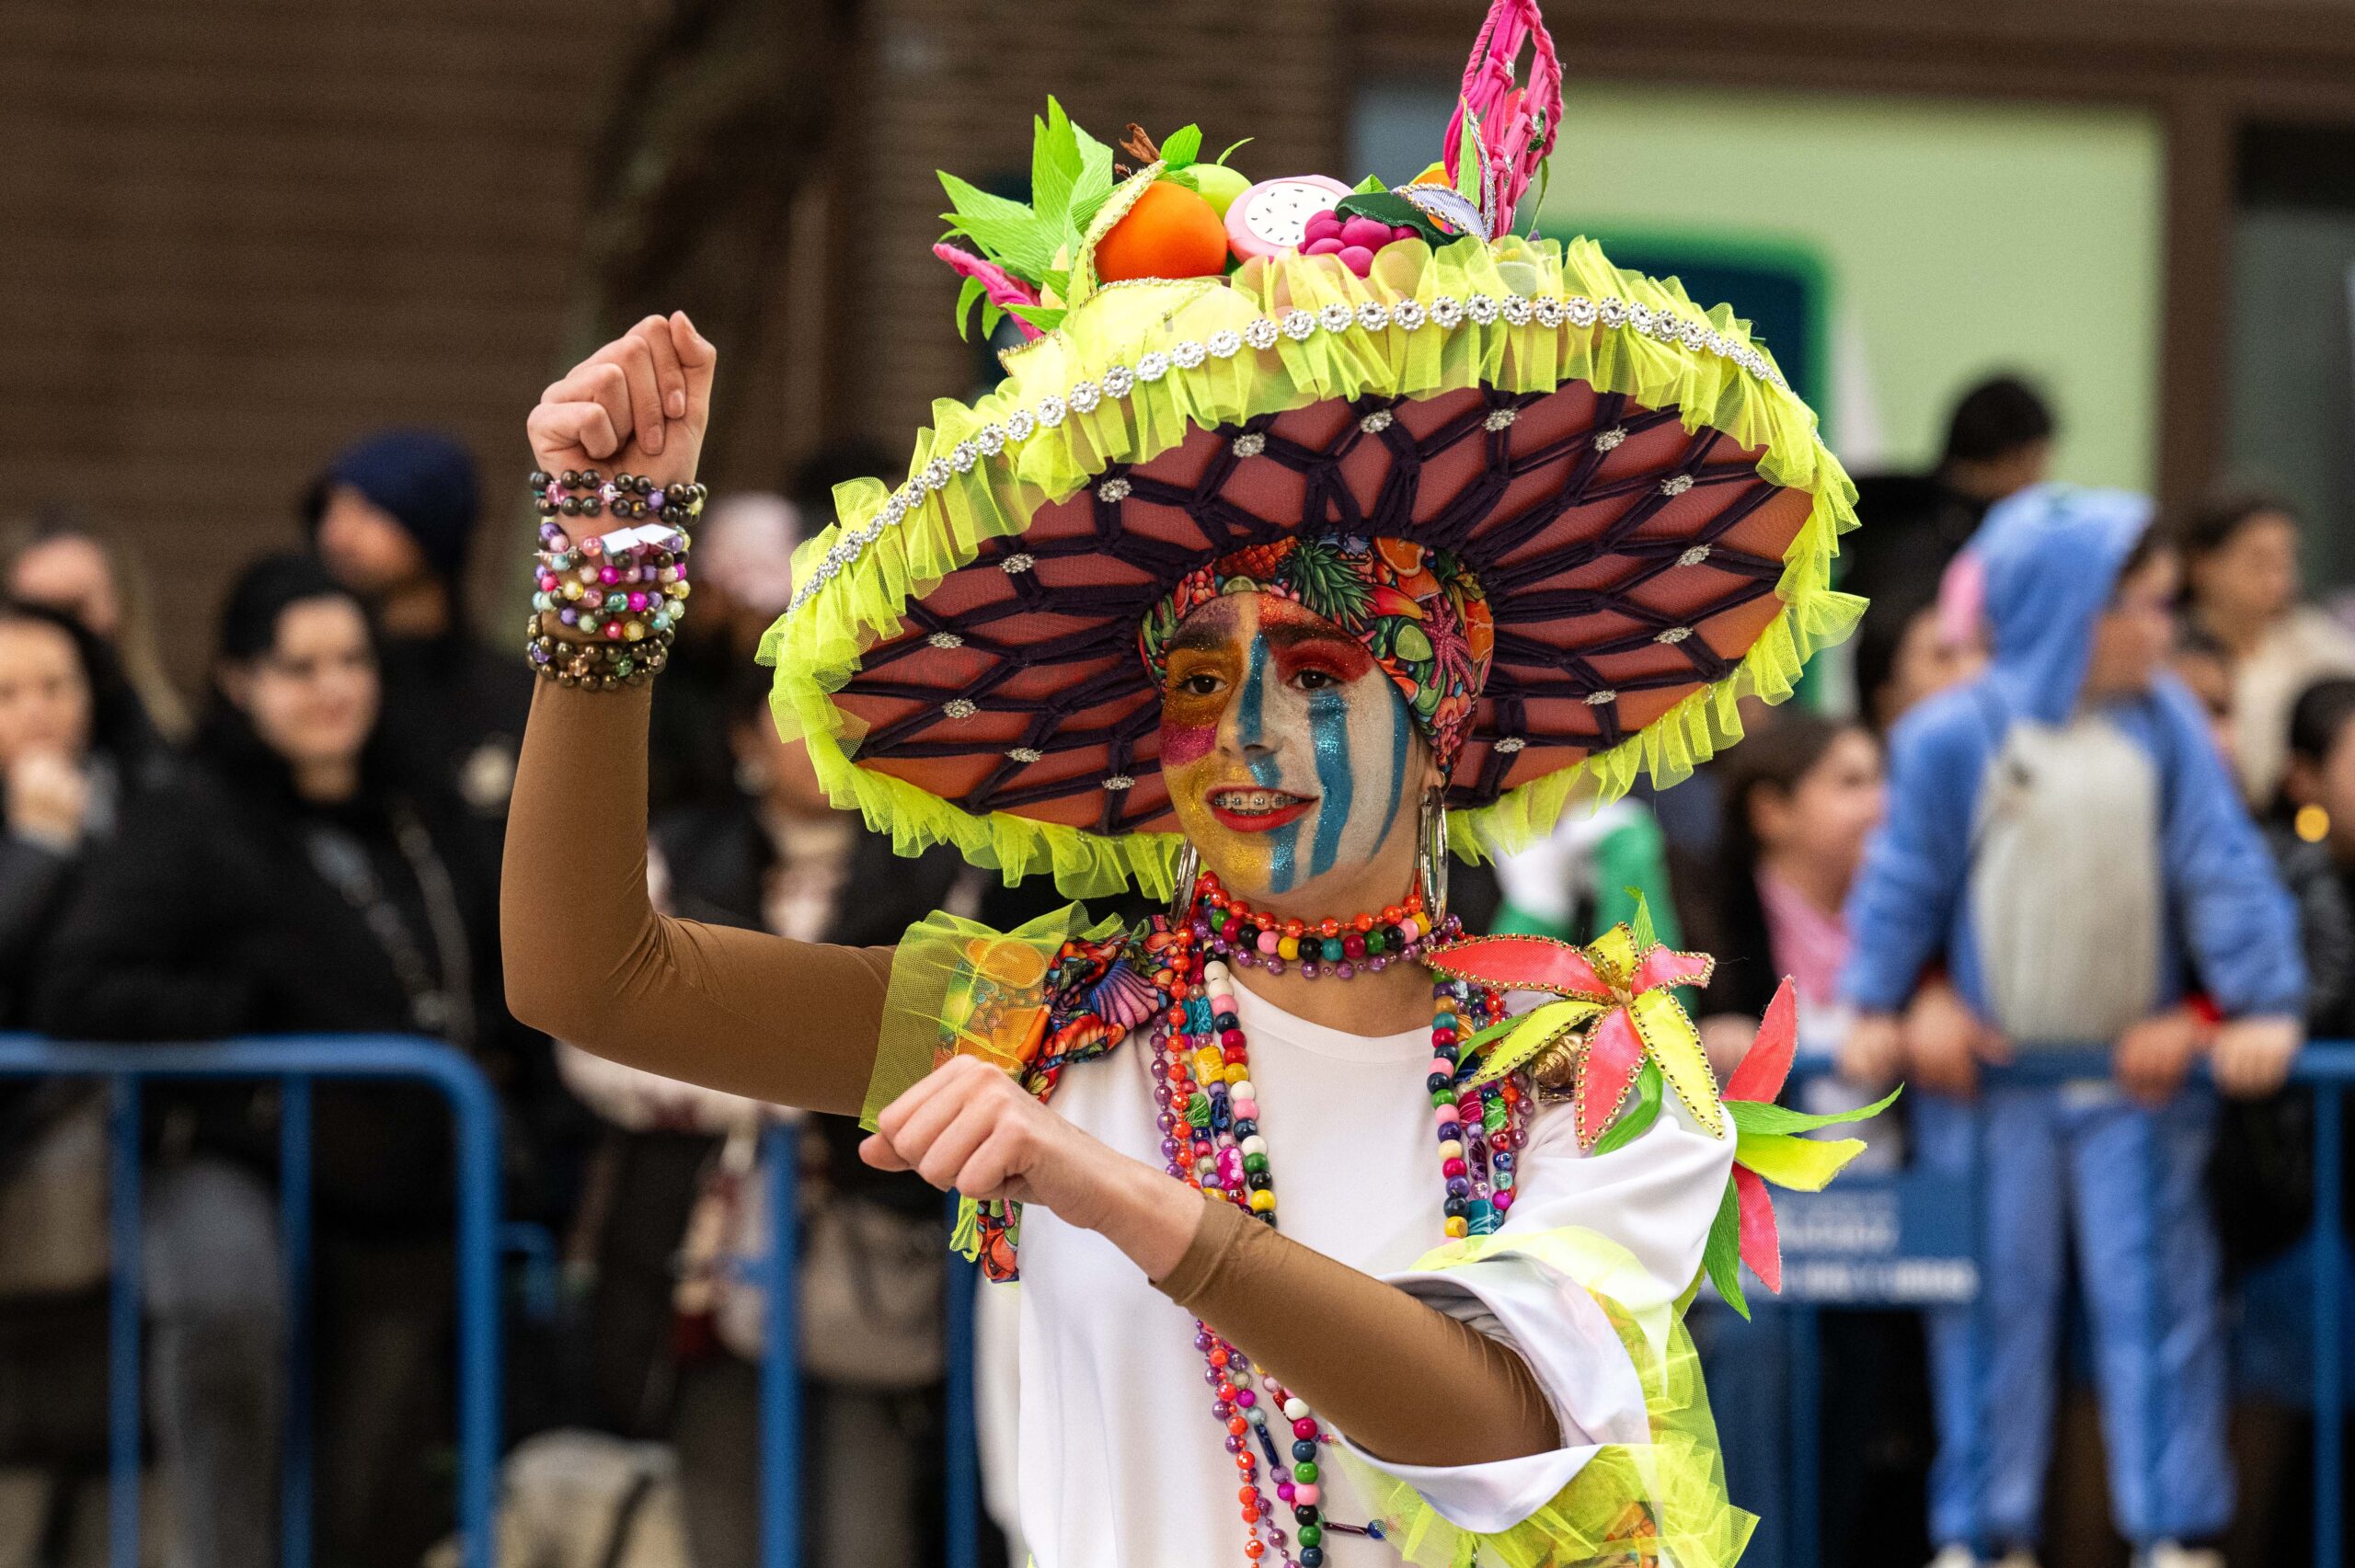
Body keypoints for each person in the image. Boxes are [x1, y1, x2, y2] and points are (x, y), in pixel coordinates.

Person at [500, 9, 1890, 1558]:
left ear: (1444, 702)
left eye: (1318, 671)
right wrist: (611, 563)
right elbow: (592, 978)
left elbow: (1497, 1420)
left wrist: (1117, 1192)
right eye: (1196, 683)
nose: (1244, 736)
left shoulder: (1593, 1067)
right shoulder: (1041, 1028)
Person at [1838, 485, 2306, 1568]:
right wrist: (1876, 1000)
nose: (2161, 630)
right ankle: (1980, 1530)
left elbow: (2223, 870)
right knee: (1987, 1310)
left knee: (2158, 1308)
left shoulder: (2166, 726)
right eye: (2143, 606)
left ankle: (2171, 1528)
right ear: (2070, 608)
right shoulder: (1953, 734)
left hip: (2130, 1087)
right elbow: (1904, 880)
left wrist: (2263, 1002)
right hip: (1990, 1088)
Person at [34, 553, 529, 1568]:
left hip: (403, 1185)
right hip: (236, 1156)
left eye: (352, 659)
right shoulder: (191, 817)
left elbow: (488, 962)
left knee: (365, 1483)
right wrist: (250, 1015)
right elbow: (80, 986)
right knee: (230, 1330)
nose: (333, 687)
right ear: (239, 679)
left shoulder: (416, 806)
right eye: (299, 667)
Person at [0, 601, 170, 1558]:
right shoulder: (41, 829)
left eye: (57, 685)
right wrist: (36, 847)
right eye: (8, 693)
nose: (38, 711)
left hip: (114, 1158)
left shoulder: (149, 796)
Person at [305, 428, 533, 821]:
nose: (336, 535)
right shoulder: (329, 687)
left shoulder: (508, 694)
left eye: (368, 512)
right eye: (332, 511)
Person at [2175, 487, 2355, 807]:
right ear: (2202, 564)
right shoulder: (2174, 651)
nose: (2278, 578)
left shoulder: (2310, 636)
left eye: (2286, 560)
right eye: (2259, 560)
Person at [1839, 375, 2054, 615]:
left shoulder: (1870, 497)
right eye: (2038, 462)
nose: (2040, 481)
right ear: (2016, 459)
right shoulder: (1984, 540)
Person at [5, 509, 191, 741]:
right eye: (35, 615)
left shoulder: (166, 744)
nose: (57, 634)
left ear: (122, 610)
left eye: (73, 610)